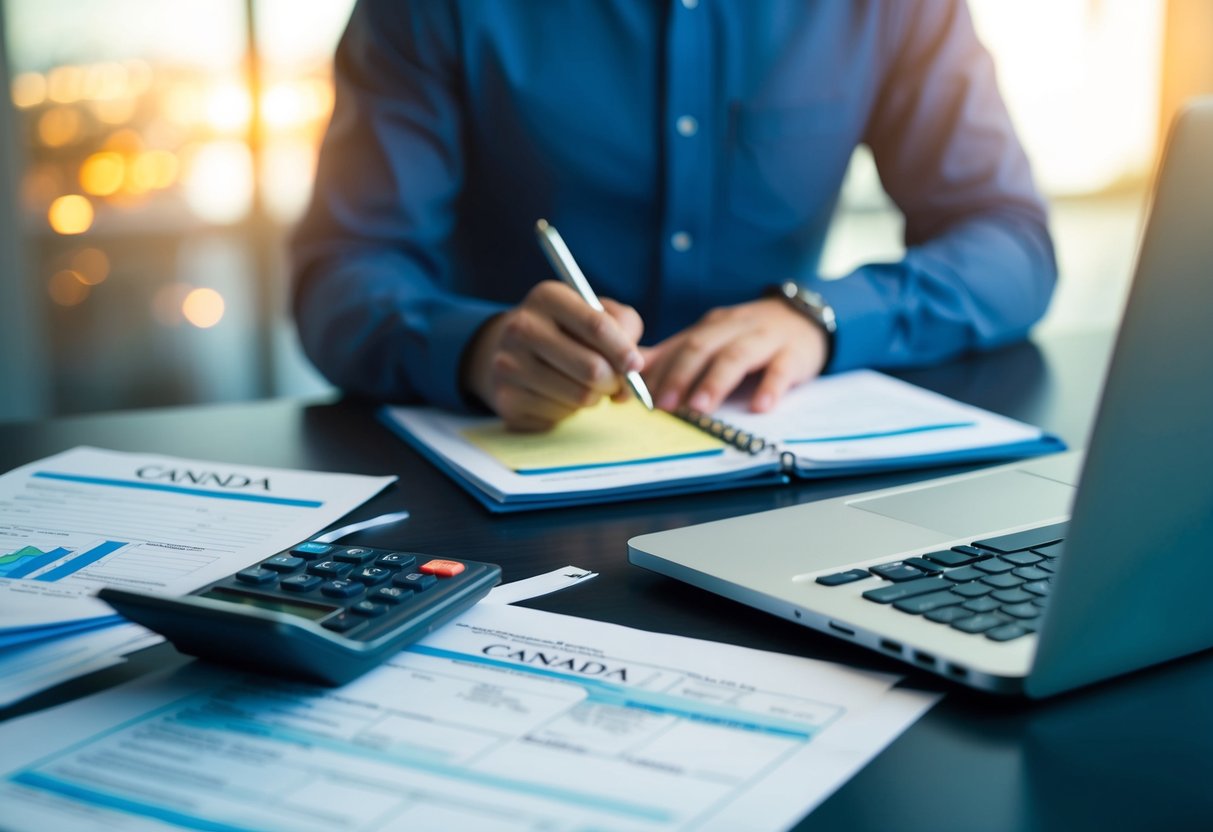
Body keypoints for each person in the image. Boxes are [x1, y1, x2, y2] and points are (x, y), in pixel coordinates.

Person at [291, 0, 1056, 431]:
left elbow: (1009, 243)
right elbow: (343, 273)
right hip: (509, 486)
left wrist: (821, 318)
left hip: (781, 471)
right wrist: (476, 349)